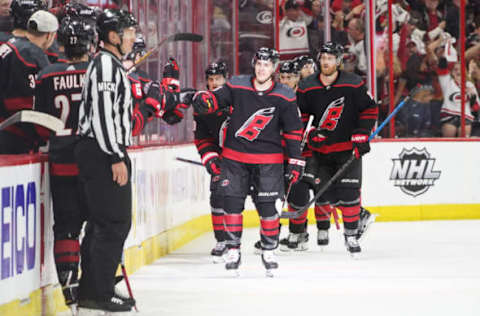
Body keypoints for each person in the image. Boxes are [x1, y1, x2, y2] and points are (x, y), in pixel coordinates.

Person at [74, 9, 179, 313]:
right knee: (113, 222)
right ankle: (98, 292)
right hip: (103, 152)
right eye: (128, 31)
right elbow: (104, 117)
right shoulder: (106, 66)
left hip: (101, 151)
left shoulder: (110, 64)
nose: (133, 37)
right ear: (112, 36)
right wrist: (115, 156)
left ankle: (94, 289)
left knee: (103, 223)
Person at [192, 47, 304, 275]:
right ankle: (233, 249)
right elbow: (214, 100)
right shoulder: (237, 85)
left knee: (268, 208)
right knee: (231, 203)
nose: (262, 69)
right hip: (235, 158)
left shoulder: (285, 95)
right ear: (254, 65)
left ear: (273, 68)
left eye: (267, 65)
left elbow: (293, 131)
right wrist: (202, 100)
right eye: (259, 64)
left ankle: (269, 250)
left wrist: (295, 160)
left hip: (269, 161)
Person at [288, 42, 378, 257]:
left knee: (348, 194)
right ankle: (359, 218)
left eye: (330, 58)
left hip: (347, 148)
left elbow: (369, 109)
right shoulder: (308, 85)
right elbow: (300, 116)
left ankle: (351, 236)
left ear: (338, 61)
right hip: (320, 150)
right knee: (324, 195)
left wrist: (361, 133)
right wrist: (308, 134)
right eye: (323, 58)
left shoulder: (353, 84)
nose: (325, 62)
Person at [33, 17, 96, 311]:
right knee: (99, 225)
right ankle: (96, 284)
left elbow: (41, 125)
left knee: (67, 228)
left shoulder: (46, 75)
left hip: (61, 162)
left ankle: (70, 292)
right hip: (93, 162)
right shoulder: (97, 72)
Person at [0, 9, 57, 154]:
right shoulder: (31, 54)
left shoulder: (10, 44)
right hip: (12, 135)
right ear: (49, 35)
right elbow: (25, 105)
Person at [193, 61, 230, 262]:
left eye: (218, 79)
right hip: (222, 159)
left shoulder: (237, 97)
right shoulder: (202, 105)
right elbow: (202, 138)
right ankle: (222, 240)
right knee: (217, 196)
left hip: (244, 157)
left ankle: (269, 236)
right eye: (211, 79)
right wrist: (210, 158)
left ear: (226, 78)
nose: (214, 83)